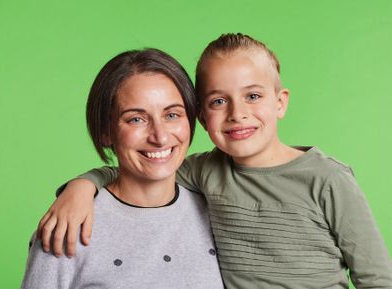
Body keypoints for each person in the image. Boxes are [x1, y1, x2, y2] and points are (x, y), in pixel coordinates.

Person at [36, 34, 392, 288]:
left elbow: (376, 278)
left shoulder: (327, 178)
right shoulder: (205, 171)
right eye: (219, 102)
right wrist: (83, 185)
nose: (238, 114)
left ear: (280, 102)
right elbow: (138, 171)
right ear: (203, 118)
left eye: (253, 96)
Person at [21, 48, 224, 289]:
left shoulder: (220, 213)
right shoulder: (68, 225)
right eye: (136, 119)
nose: (159, 137)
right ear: (106, 130)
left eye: (172, 115)